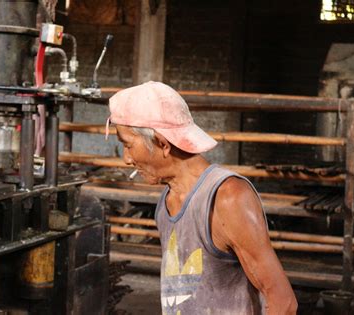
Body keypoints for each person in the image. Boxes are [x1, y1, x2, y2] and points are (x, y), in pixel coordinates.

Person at [106, 81, 297, 315]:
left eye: (128, 145)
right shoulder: (168, 200)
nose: (126, 159)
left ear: (163, 144)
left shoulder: (227, 198)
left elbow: (283, 302)